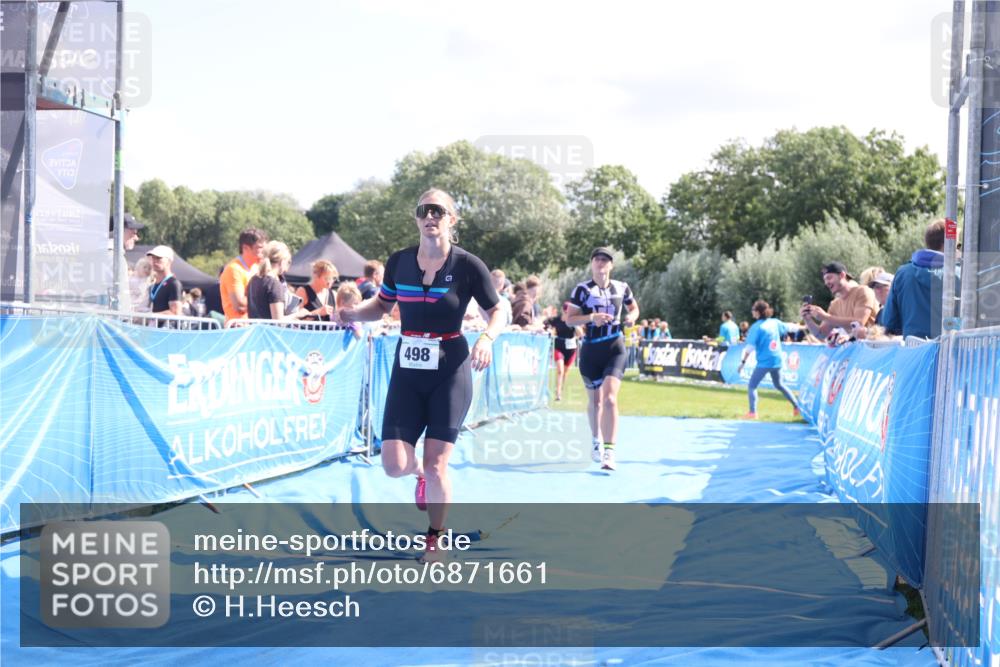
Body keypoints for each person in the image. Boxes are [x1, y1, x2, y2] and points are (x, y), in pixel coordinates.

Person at [335, 188, 504, 563]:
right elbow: (381, 305)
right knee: (394, 465)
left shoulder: (467, 265)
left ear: (451, 219)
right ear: (416, 218)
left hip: (451, 367)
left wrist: (488, 339)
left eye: (439, 211)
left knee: (437, 461)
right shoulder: (399, 263)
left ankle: (435, 540)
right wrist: (351, 313)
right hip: (408, 366)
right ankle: (421, 477)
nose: (431, 216)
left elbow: (499, 310)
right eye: (424, 210)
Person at [564, 247, 639, 472]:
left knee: (610, 399)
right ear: (592, 264)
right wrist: (591, 317)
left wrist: (631, 318)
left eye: (605, 260)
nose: (600, 263)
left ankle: (609, 452)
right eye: (597, 260)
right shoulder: (582, 290)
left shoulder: (622, 287)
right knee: (595, 402)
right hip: (590, 350)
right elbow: (570, 320)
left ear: (611, 265)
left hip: (615, 347)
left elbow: (634, 308)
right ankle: (596, 441)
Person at [882, 219, 952, 339]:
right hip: (950, 348)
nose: (958, 249)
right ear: (945, 244)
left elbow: (889, 321)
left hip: (916, 350)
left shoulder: (902, 273)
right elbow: (969, 319)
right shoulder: (959, 273)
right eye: (958, 245)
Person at [738, 300, 800, 419]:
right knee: (780, 384)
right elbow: (791, 327)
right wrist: (803, 326)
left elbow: (749, 348)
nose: (752, 312)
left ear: (757, 312)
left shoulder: (756, 327)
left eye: (753, 310)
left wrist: (742, 363)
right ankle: (797, 407)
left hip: (764, 362)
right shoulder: (774, 322)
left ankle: (752, 413)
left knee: (752, 386)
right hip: (777, 360)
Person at [800, 261, 879, 338]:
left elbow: (858, 323)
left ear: (842, 275)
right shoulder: (834, 304)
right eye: (825, 280)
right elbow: (821, 334)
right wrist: (808, 320)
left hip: (876, 345)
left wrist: (825, 317)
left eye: (829, 278)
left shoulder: (863, 291)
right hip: (859, 348)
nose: (826, 283)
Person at [246, 241, 308, 321]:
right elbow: (278, 321)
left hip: (256, 331)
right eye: (288, 262)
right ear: (282, 262)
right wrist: (298, 314)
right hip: (270, 332)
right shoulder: (274, 284)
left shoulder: (253, 280)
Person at [220, 228, 268, 323]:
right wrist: (266, 300)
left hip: (254, 326)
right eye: (259, 248)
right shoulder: (233, 269)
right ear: (245, 248)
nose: (264, 251)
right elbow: (239, 306)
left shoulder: (257, 267)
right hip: (238, 328)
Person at [544, 302, 581, 401]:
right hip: (559, 347)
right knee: (560, 370)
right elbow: (545, 324)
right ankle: (558, 393)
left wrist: (576, 326)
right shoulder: (556, 320)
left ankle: (560, 388)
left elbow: (581, 334)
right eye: (566, 311)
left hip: (571, 349)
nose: (567, 313)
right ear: (563, 311)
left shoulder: (573, 321)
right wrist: (548, 330)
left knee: (564, 372)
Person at [147, 245, 183, 317]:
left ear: (169, 261)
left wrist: (150, 316)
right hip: (151, 327)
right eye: (153, 258)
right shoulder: (152, 284)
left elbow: (175, 313)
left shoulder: (173, 283)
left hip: (166, 327)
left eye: (159, 258)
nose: (154, 261)